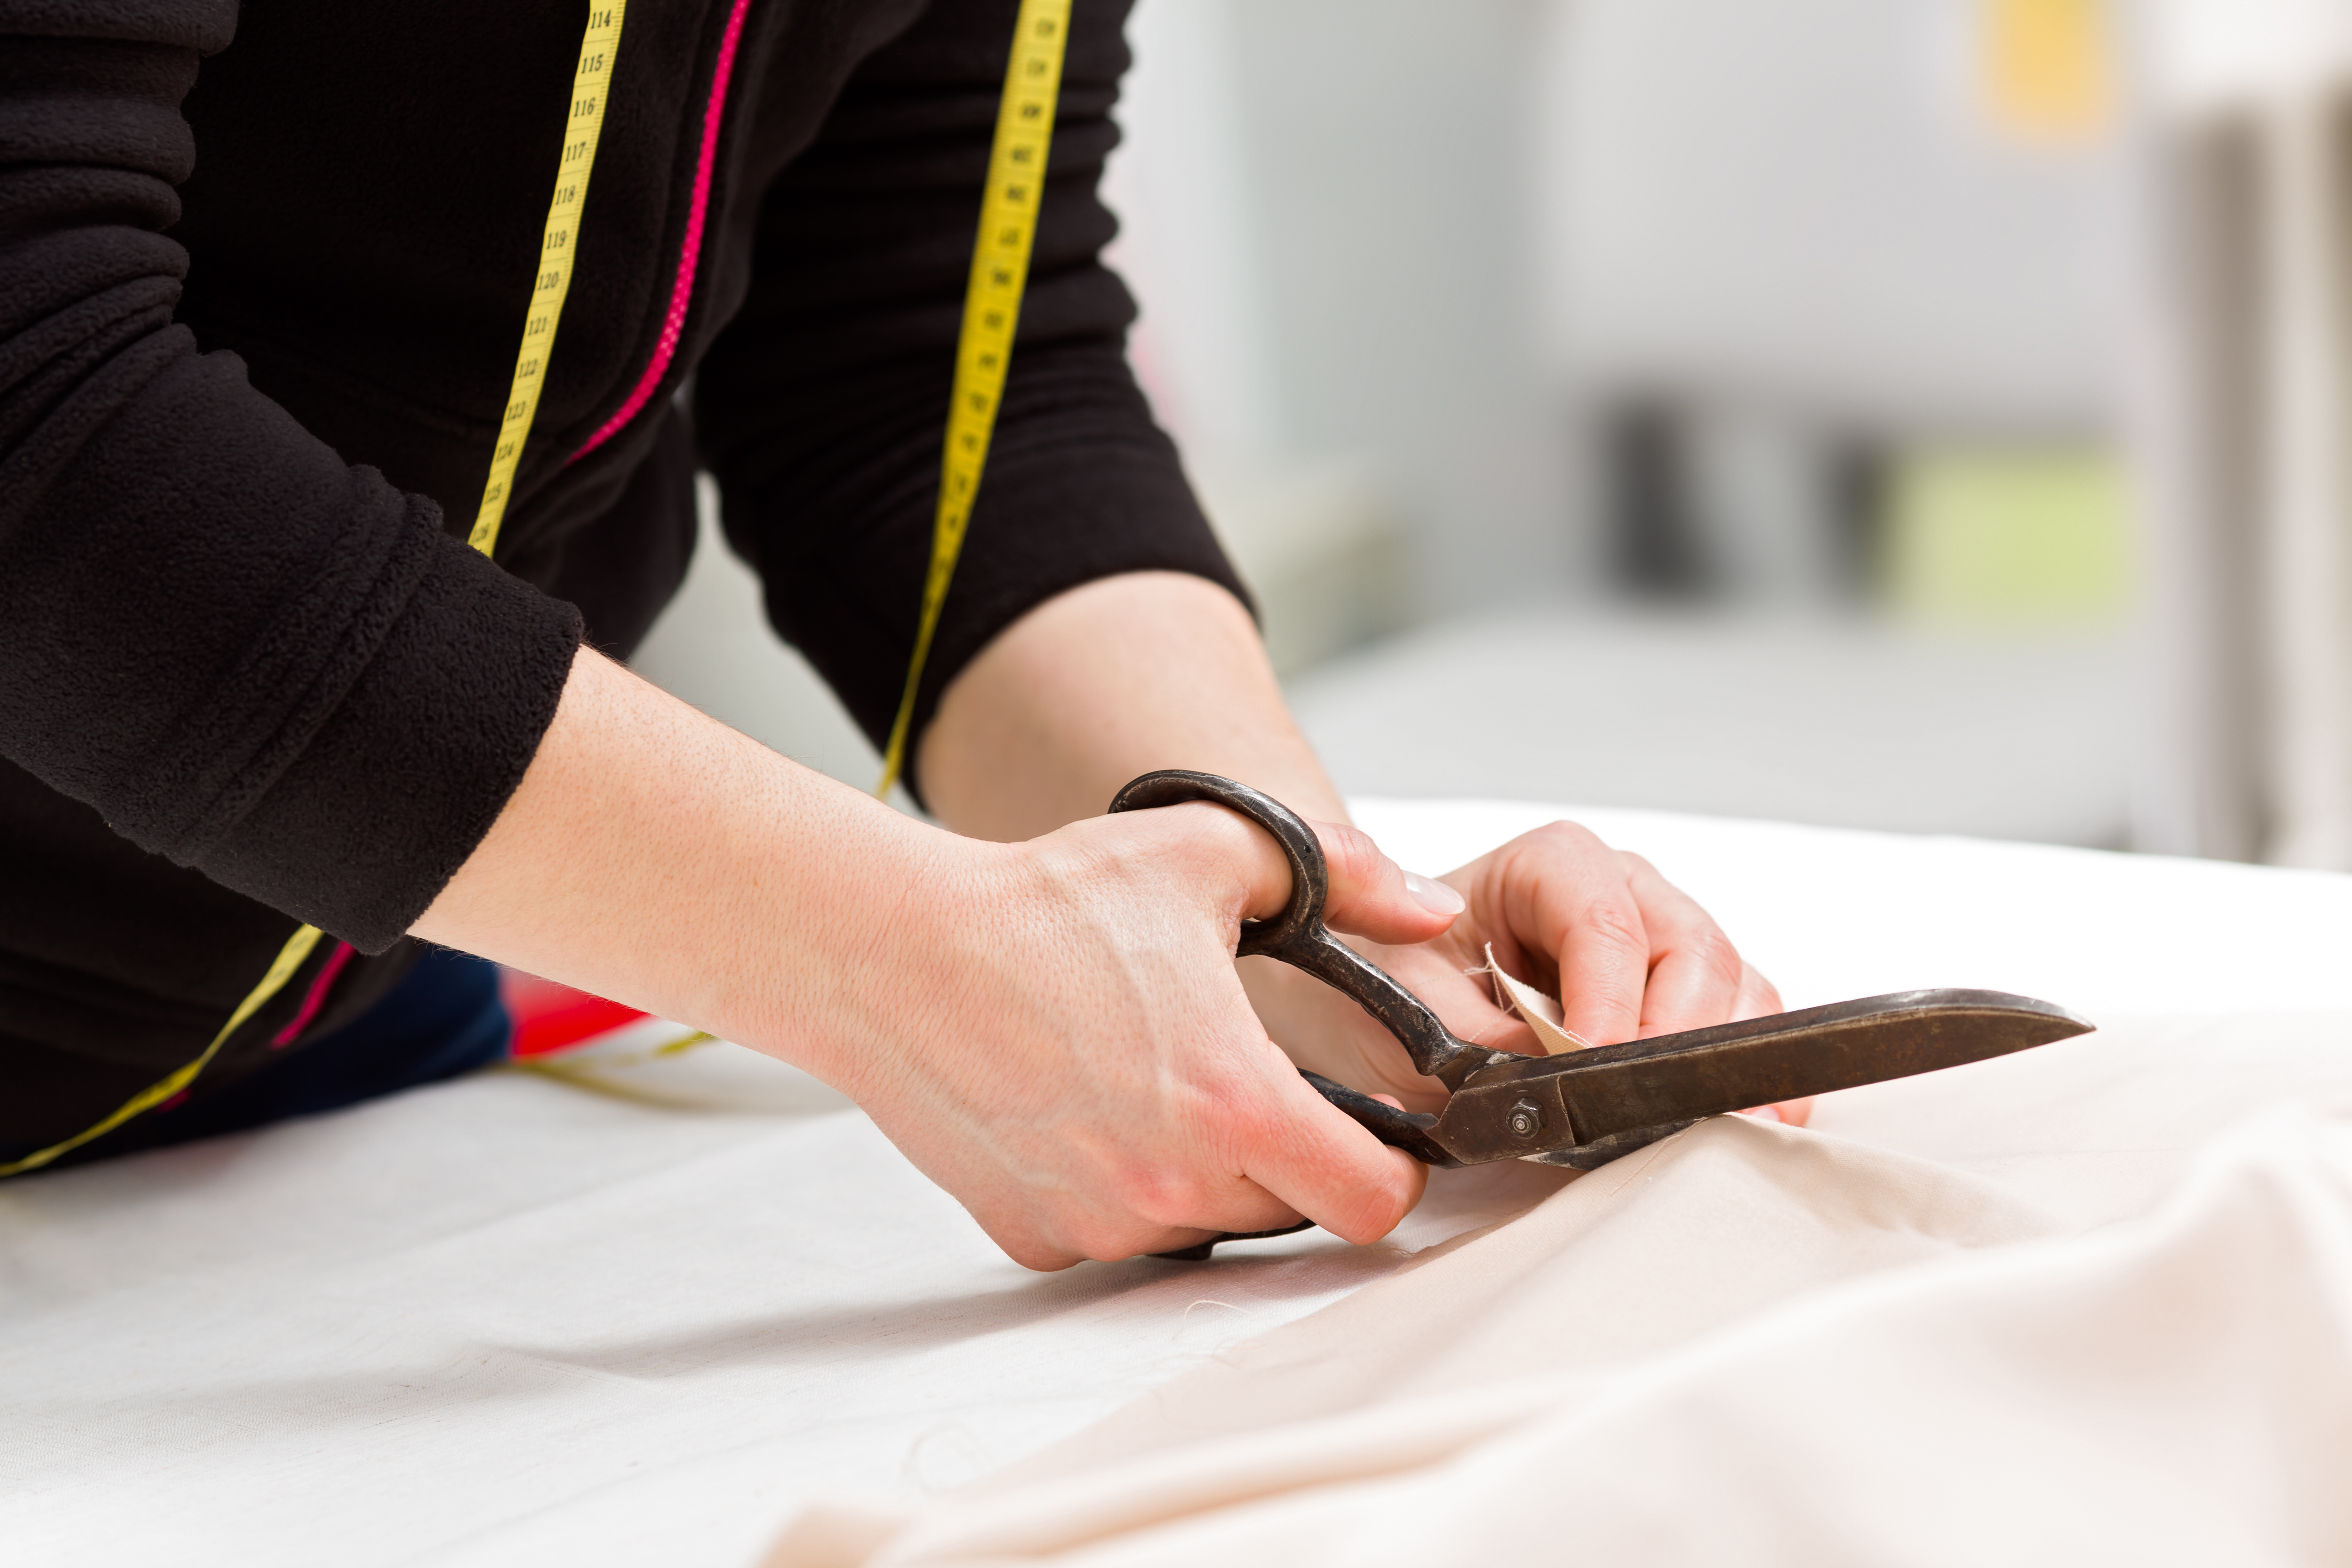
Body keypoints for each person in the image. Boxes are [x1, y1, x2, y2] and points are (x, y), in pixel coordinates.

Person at [0, 0, 1802, 1265]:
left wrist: (1314, 929)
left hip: (320, 1050)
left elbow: (938, 363)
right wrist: (887, 960)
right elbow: (30, 392)